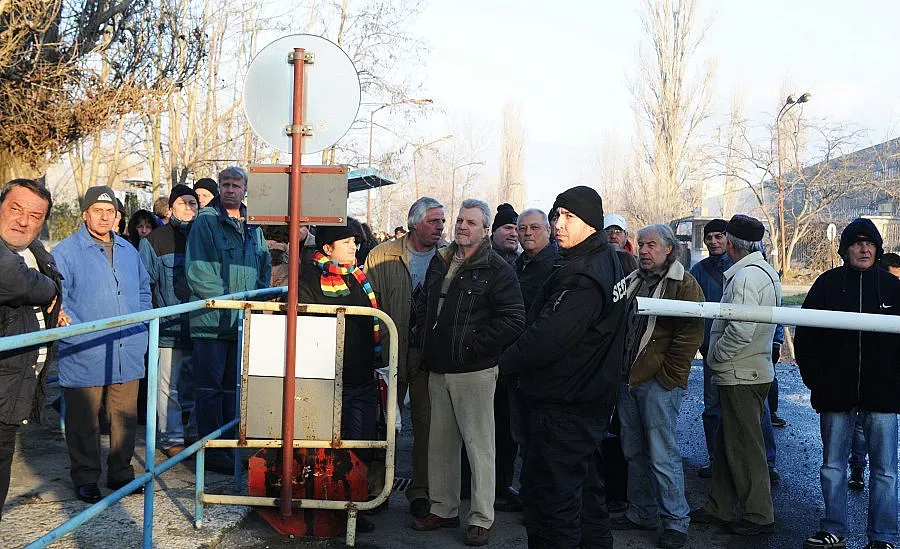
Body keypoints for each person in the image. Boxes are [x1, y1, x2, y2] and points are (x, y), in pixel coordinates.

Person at [500, 186, 628, 549]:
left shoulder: (584, 273)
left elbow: (548, 336)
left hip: (565, 405)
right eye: (557, 215)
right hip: (584, 399)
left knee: (550, 504)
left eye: (569, 217)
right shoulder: (600, 258)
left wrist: (505, 363)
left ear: (591, 223)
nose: (559, 224)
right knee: (585, 496)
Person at [412, 199, 525, 547]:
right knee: (440, 445)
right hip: (438, 368)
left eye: (471, 222)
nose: (462, 226)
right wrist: (424, 340)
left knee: (479, 447)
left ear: (486, 230)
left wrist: (473, 348)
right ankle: (443, 508)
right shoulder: (441, 259)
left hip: (474, 371)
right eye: (460, 220)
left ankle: (481, 517)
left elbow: (514, 319)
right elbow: (427, 305)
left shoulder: (497, 268)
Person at [795, 218, 900, 549]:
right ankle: (834, 529)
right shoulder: (826, 285)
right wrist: (818, 382)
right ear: (845, 249)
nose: (864, 249)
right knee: (832, 467)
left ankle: (882, 537)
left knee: (885, 472)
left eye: (870, 244)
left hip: (883, 397)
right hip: (835, 394)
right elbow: (805, 336)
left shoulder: (893, 287)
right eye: (857, 243)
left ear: (877, 249)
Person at [51, 185, 152, 504]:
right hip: (85, 349)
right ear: (85, 214)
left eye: (111, 212)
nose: (105, 217)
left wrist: (141, 324)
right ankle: (85, 478)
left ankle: (120, 473)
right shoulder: (65, 252)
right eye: (98, 211)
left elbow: (144, 289)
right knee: (84, 420)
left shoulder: (128, 250)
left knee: (124, 416)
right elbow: (58, 298)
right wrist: (70, 328)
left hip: (127, 347)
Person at [611, 224, 704, 549]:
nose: (644, 251)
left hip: (658, 385)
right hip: (629, 381)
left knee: (662, 455)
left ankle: (676, 521)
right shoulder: (634, 280)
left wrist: (667, 378)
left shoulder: (684, 284)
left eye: (651, 245)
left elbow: (690, 335)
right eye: (641, 245)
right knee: (634, 451)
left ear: (668, 249)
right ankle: (641, 512)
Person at [691, 214, 782, 536]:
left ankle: (759, 515)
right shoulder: (762, 271)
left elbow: (741, 330)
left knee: (744, 447)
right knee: (728, 442)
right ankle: (720, 506)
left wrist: (715, 357)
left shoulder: (745, 277)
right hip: (750, 371)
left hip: (741, 374)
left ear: (731, 243)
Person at [186, 166, 271, 475]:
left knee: (234, 389)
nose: (230, 190)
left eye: (236, 185)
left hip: (242, 322)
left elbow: (264, 264)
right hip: (212, 323)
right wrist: (232, 303)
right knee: (210, 391)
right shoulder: (206, 222)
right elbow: (198, 273)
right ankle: (211, 451)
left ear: (245, 189)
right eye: (225, 184)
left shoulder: (253, 225)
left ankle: (230, 445)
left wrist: (256, 299)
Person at [364, 197, 446, 518]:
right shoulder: (381, 256)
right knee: (385, 424)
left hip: (429, 357)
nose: (441, 227)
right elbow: (367, 306)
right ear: (414, 224)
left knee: (428, 426)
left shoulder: (448, 257)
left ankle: (421, 491)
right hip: (389, 355)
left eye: (442, 221)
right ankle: (377, 488)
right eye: (434, 221)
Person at [299, 221, 382, 534]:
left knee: (360, 446)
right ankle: (329, 508)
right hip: (326, 381)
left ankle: (351, 508)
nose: (353, 247)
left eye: (355, 242)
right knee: (328, 448)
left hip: (362, 378)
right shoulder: (309, 278)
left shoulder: (358, 277)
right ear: (327, 248)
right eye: (346, 242)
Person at [0, 179, 61, 519]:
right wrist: (49, 288)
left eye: (35, 216)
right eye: (16, 209)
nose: (23, 221)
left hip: (12, 390)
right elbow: (13, 279)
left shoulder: (33, 253)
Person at [139, 185, 199, 458]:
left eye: (192, 203)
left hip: (201, 324)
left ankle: (196, 435)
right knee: (167, 386)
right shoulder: (155, 240)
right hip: (168, 325)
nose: (188, 207)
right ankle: (171, 437)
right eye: (183, 202)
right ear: (171, 207)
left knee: (199, 386)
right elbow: (144, 285)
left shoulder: (204, 237)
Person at [507, 208, 557, 502]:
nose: (527, 233)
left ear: (548, 231)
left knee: (541, 438)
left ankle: (539, 500)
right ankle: (529, 495)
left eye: (534, 227)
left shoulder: (555, 266)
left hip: (540, 364)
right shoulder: (517, 264)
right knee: (522, 435)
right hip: (516, 362)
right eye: (522, 228)